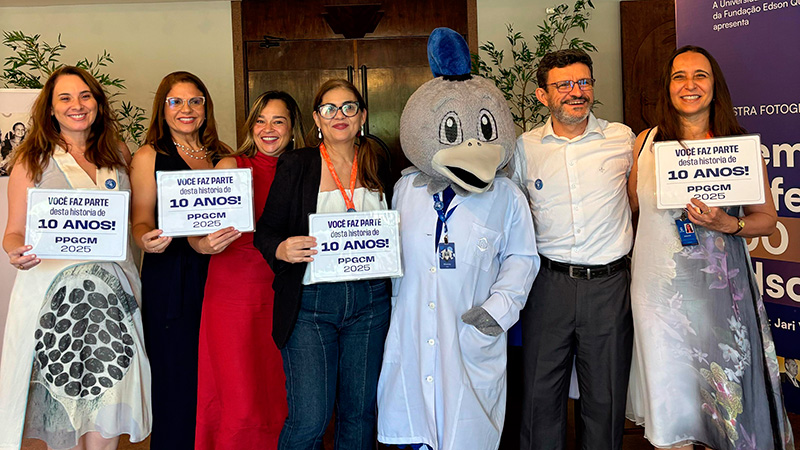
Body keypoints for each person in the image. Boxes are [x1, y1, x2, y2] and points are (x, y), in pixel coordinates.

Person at [626, 45, 794, 450]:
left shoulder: (738, 145)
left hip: (718, 296)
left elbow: (767, 220)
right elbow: (633, 206)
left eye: (700, 75)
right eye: (679, 76)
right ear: (667, 87)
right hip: (657, 294)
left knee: (726, 400)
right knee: (672, 403)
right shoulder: (646, 143)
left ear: (715, 86)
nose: (690, 85)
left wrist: (728, 224)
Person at [0, 66, 151, 450]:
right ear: (50, 108)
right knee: (63, 412)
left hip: (113, 304)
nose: (77, 105)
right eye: (64, 98)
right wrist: (15, 250)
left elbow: (137, 219)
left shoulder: (118, 154)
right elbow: (13, 232)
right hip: (56, 306)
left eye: (85, 96)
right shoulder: (31, 160)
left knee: (109, 403)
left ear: (98, 103)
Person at [253, 79, 392, 450]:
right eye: (329, 108)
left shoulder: (378, 160)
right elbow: (265, 231)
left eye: (349, 107)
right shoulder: (297, 164)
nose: (339, 115)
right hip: (311, 305)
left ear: (362, 116)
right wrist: (281, 249)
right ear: (317, 118)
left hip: (370, 303)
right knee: (310, 419)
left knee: (360, 414)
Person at [511, 49, 635, 450]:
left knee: (605, 400)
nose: (576, 92)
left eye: (583, 82)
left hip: (609, 287)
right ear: (542, 95)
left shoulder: (623, 139)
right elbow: (511, 213)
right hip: (548, 286)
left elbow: (641, 201)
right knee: (539, 397)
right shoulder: (524, 149)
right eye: (563, 84)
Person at [194, 91, 305, 450]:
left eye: (278, 121)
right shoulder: (231, 166)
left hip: (288, 291)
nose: (268, 129)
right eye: (260, 120)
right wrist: (202, 245)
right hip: (233, 293)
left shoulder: (308, 168)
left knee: (283, 390)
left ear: (292, 128)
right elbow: (197, 231)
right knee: (238, 392)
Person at [130, 71, 232, 450]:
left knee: (216, 375)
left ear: (206, 107)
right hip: (170, 275)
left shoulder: (223, 155)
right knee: (174, 379)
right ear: (163, 108)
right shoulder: (149, 156)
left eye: (195, 101)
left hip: (219, 274)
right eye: (176, 101)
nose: (186, 109)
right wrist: (145, 238)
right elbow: (141, 218)